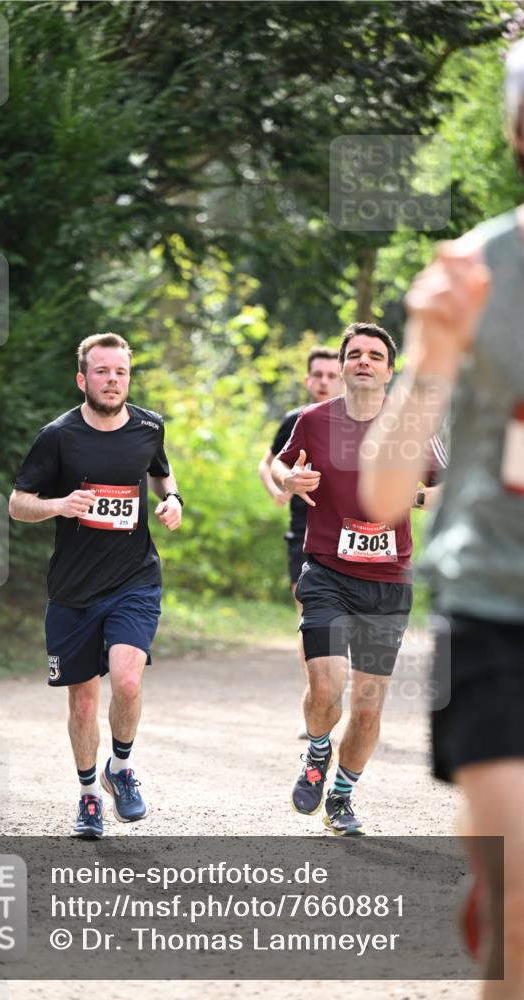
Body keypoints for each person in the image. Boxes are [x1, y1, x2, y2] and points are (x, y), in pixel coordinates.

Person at [359, 39, 524, 999]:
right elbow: (383, 493)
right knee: (515, 913)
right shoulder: (472, 273)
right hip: (495, 611)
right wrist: (433, 348)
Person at [9, 333, 182, 839]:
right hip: (73, 590)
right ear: (83, 379)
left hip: (134, 579)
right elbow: (18, 503)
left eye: (121, 372)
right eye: (102, 372)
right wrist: (58, 505)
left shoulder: (150, 427)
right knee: (83, 701)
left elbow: (160, 476)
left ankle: (121, 768)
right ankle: (88, 795)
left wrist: (174, 501)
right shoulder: (57, 436)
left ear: (129, 377)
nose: (112, 381)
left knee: (127, 680)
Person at [271, 322, 441, 835]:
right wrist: (290, 479)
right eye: (355, 354)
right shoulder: (311, 421)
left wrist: (408, 496)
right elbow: (279, 469)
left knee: (367, 709)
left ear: (390, 370)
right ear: (343, 366)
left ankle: (341, 797)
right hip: (326, 570)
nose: (363, 361)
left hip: (388, 582)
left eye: (374, 355)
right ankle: (317, 750)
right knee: (327, 686)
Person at [258, 348, 341, 738]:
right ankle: (317, 696)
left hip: (348, 534)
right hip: (304, 535)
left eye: (331, 374)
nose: (324, 381)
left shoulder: (358, 422)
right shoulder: (297, 419)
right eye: (318, 375)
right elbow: (269, 461)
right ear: (308, 380)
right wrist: (279, 486)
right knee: (311, 615)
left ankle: (333, 689)